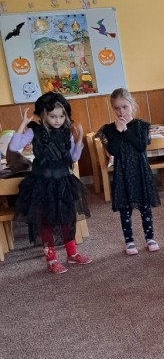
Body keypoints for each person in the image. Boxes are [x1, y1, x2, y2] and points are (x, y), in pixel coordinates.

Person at [10, 92, 91, 274]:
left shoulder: (65, 132)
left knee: (68, 218)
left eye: (61, 116)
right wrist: (23, 124)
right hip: (43, 183)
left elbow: (73, 158)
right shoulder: (34, 131)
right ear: (43, 114)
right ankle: (51, 258)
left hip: (63, 182)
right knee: (46, 221)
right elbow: (14, 147)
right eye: (53, 116)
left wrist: (78, 140)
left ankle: (72, 253)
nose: (58, 120)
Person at [96, 88, 160, 255]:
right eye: (116, 108)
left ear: (132, 105)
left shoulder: (141, 126)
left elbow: (141, 146)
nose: (121, 112)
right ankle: (129, 241)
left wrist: (125, 130)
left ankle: (150, 238)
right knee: (125, 208)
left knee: (145, 205)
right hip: (122, 172)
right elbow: (113, 151)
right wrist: (118, 131)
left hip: (140, 170)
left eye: (124, 107)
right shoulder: (110, 129)